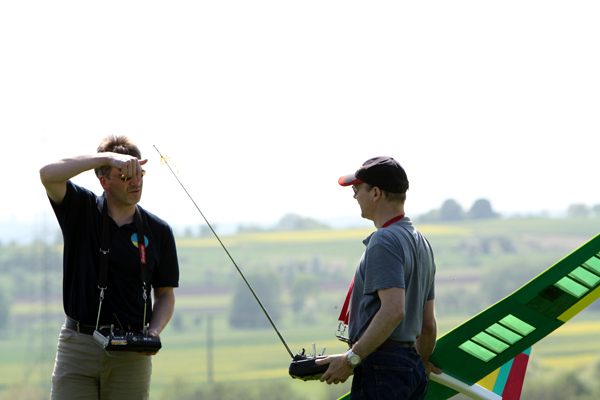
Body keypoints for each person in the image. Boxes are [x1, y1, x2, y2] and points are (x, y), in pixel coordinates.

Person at [40, 135, 179, 400]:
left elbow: (165, 295)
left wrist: (153, 333)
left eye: (139, 174)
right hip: (79, 347)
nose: (136, 182)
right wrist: (106, 158)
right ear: (104, 181)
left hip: (132, 354)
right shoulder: (80, 209)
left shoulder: (159, 231)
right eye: (126, 176)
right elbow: (47, 174)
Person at [316, 156, 441, 399]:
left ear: (375, 193)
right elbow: (428, 326)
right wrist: (419, 364)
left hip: (381, 369)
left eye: (357, 188)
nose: (354, 196)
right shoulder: (422, 242)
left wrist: (351, 358)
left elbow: (394, 310)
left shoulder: (384, 240)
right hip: (412, 369)